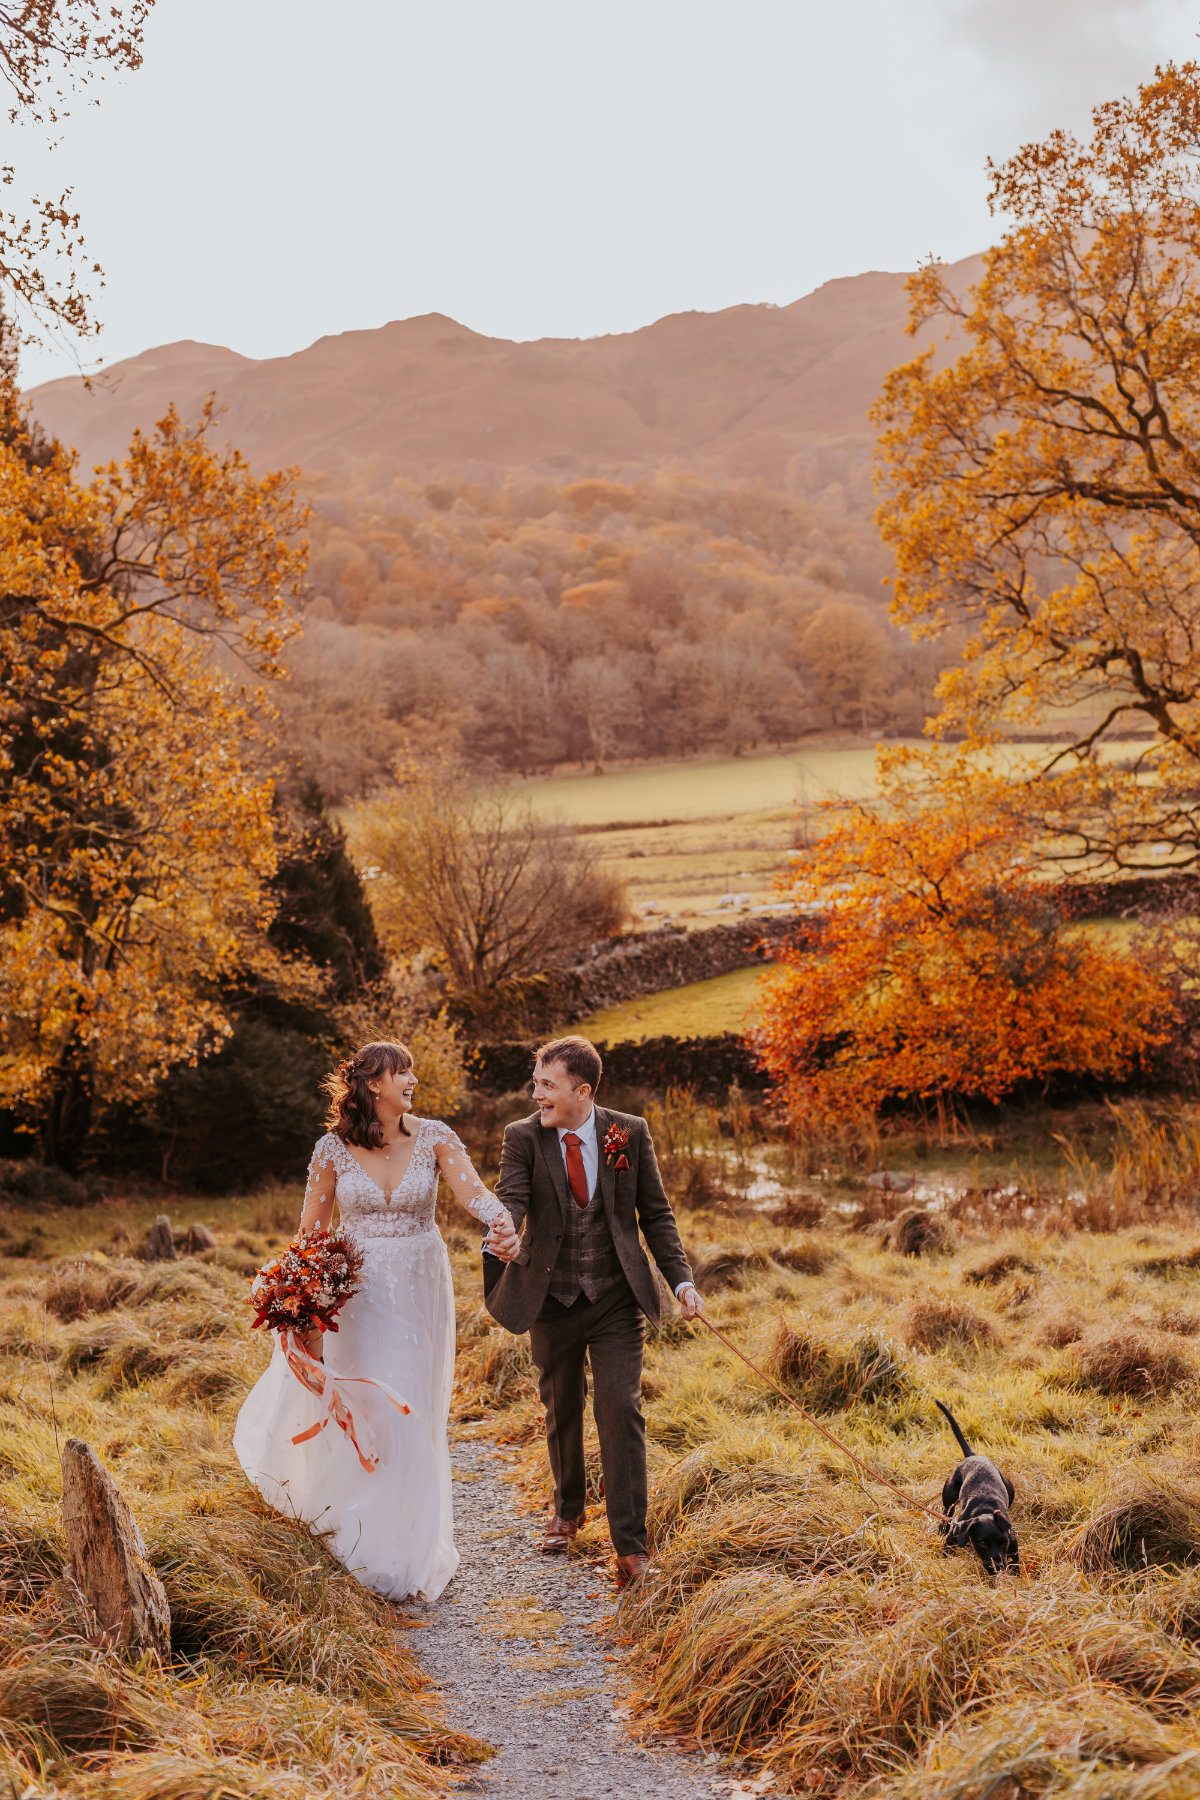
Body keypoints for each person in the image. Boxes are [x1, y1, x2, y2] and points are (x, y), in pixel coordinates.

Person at [233, 1039, 518, 1601]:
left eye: (411, 1068)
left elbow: (476, 1195)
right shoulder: (330, 1150)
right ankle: (356, 1532)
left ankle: (405, 1547)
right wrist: (305, 1307)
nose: (412, 1078)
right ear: (372, 1085)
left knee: (410, 1400)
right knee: (364, 1403)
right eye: (401, 1071)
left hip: (418, 1286)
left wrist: (503, 1223)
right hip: (356, 1293)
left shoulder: (435, 1136)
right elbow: (310, 1235)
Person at [484, 1035, 702, 1586]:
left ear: (582, 1091)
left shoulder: (629, 1133)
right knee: (561, 1406)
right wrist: (504, 1228)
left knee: (619, 1410)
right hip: (550, 1297)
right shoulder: (523, 1138)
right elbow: (510, 1195)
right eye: (535, 1083)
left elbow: (656, 1214)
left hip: (615, 1298)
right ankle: (568, 1509)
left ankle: (631, 1546)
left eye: (547, 1085)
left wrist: (681, 1282)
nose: (536, 1095)